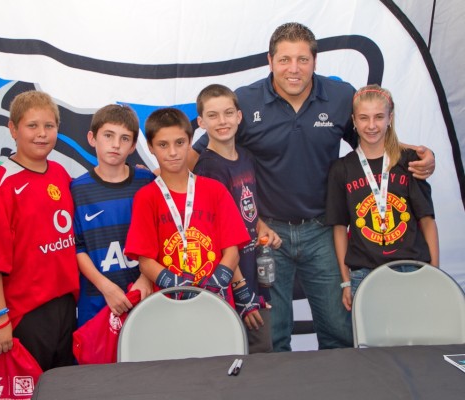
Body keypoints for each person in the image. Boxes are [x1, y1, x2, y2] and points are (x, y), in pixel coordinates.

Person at [191, 22, 436, 352]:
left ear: (315, 62)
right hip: (267, 236)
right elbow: (200, 153)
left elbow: (372, 139)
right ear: (270, 60)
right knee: (273, 334)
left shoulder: (339, 96)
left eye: (302, 60)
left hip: (322, 229)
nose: (294, 69)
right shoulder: (245, 102)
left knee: (339, 328)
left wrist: (419, 155)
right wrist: (159, 177)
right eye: (285, 60)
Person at [0, 90, 78, 371]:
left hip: (66, 305)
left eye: (49, 126)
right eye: (32, 126)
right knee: (31, 389)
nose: (41, 134)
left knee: (64, 387)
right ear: (13, 129)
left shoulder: (59, 174)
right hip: (27, 312)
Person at [327, 84, 439, 310]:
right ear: (354, 121)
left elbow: (427, 220)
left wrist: (435, 272)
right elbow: (339, 228)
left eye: (379, 117)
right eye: (363, 118)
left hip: (413, 268)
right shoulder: (342, 169)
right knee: (374, 342)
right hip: (365, 274)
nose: (371, 125)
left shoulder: (408, 161)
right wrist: (346, 280)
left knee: (418, 340)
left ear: (390, 118)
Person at [125, 107, 250, 306]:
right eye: (163, 145)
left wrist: (217, 282)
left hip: (216, 302)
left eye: (180, 143)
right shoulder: (146, 197)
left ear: (190, 142)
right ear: (150, 147)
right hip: (168, 304)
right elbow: (145, 261)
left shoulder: (215, 190)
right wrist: (175, 285)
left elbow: (232, 250)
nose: (173, 152)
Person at [193, 83, 281, 353]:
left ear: (239, 116)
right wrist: (241, 289)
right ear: (201, 122)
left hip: (254, 270)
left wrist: (261, 225)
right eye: (213, 115)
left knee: (264, 352)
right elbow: (217, 237)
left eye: (228, 113)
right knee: (236, 356)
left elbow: (247, 209)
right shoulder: (208, 168)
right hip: (232, 281)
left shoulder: (246, 157)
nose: (222, 121)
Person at [71, 104, 154, 328]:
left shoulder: (147, 183)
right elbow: (77, 248)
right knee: (98, 363)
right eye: (108, 135)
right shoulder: (77, 189)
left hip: (144, 295)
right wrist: (106, 288)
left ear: (133, 146)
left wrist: (147, 277)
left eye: (124, 138)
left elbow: (162, 237)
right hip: (97, 300)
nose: (116, 145)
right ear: (92, 138)